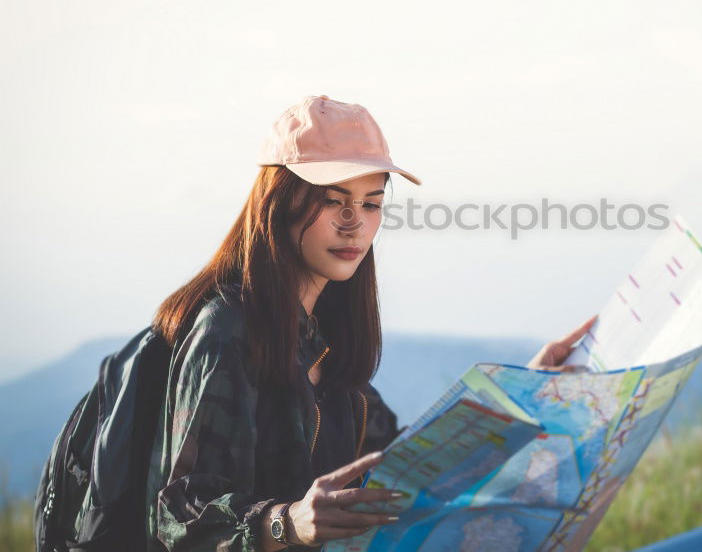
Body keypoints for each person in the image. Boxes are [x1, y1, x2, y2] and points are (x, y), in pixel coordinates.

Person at [144, 94, 597, 551]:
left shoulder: (326, 339)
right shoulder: (226, 333)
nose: (354, 224)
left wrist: (524, 393)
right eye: (333, 201)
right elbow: (177, 518)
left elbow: (405, 466)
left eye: (371, 204)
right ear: (278, 203)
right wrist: (287, 523)